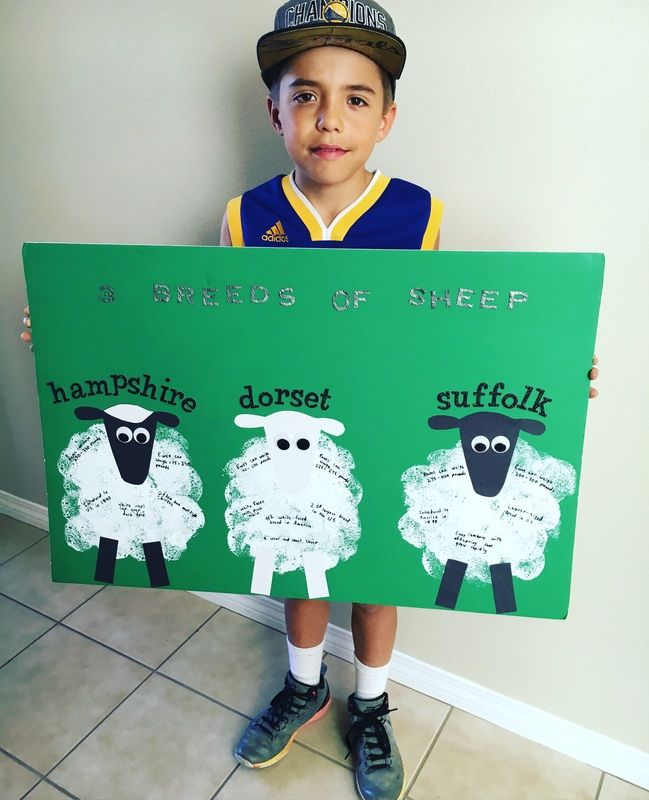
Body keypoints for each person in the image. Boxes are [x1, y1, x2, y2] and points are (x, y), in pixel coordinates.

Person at [20, 3, 600, 798]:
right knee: (299, 569)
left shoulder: (418, 213)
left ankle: (371, 704)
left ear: (387, 116)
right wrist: (71, 334)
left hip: (376, 430)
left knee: (375, 586)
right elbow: (197, 340)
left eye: (356, 97)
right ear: (275, 109)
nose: (329, 118)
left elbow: (449, 336)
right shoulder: (242, 217)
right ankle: (303, 686)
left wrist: (559, 369)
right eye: (304, 94)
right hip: (288, 432)